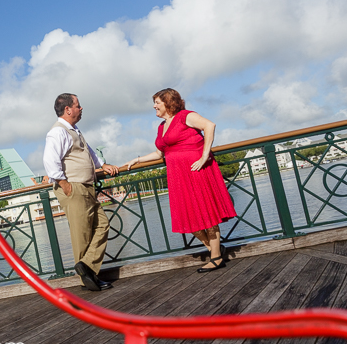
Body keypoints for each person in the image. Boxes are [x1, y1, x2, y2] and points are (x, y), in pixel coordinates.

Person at [123, 88, 236, 272]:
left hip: (196, 171)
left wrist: (204, 155)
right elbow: (160, 153)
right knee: (188, 217)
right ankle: (214, 249)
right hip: (178, 176)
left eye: (157, 103)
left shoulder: (185, 116)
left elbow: (210, 126)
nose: (154, 106)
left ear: (168, 102)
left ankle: (216, 258)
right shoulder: (161, 127)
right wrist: (137, 159)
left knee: (207, 214)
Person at [43, 93, 119, 291]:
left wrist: (103, 165)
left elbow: (89, 152)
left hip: (86, 186)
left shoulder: (73, 130)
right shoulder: (57, 132)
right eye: (78, 105)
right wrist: (65, 185)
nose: (81, 108)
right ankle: (88, 278)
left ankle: (87, 267)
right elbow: (50, 161)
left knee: (102, 224)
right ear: (68, 109)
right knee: (82, 235)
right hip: (74, 188)